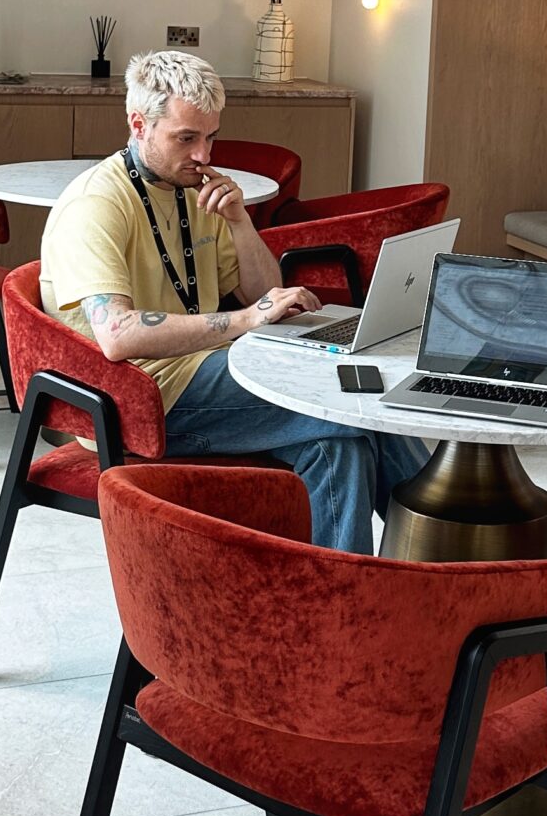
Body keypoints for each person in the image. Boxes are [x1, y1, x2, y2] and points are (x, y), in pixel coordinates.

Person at [37, 48, 429, 553]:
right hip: (139, 399)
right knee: (349, 404)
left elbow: (264, 295)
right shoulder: (96, 204)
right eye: (186, 138)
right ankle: (446, 561)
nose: (204, 155)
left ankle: (348, 594)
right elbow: (118, 335)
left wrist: (240, 223)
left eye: (211, 137)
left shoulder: (196, 189)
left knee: (339, 444)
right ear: (139, 125)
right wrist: (245, 321)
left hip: (204, 370)